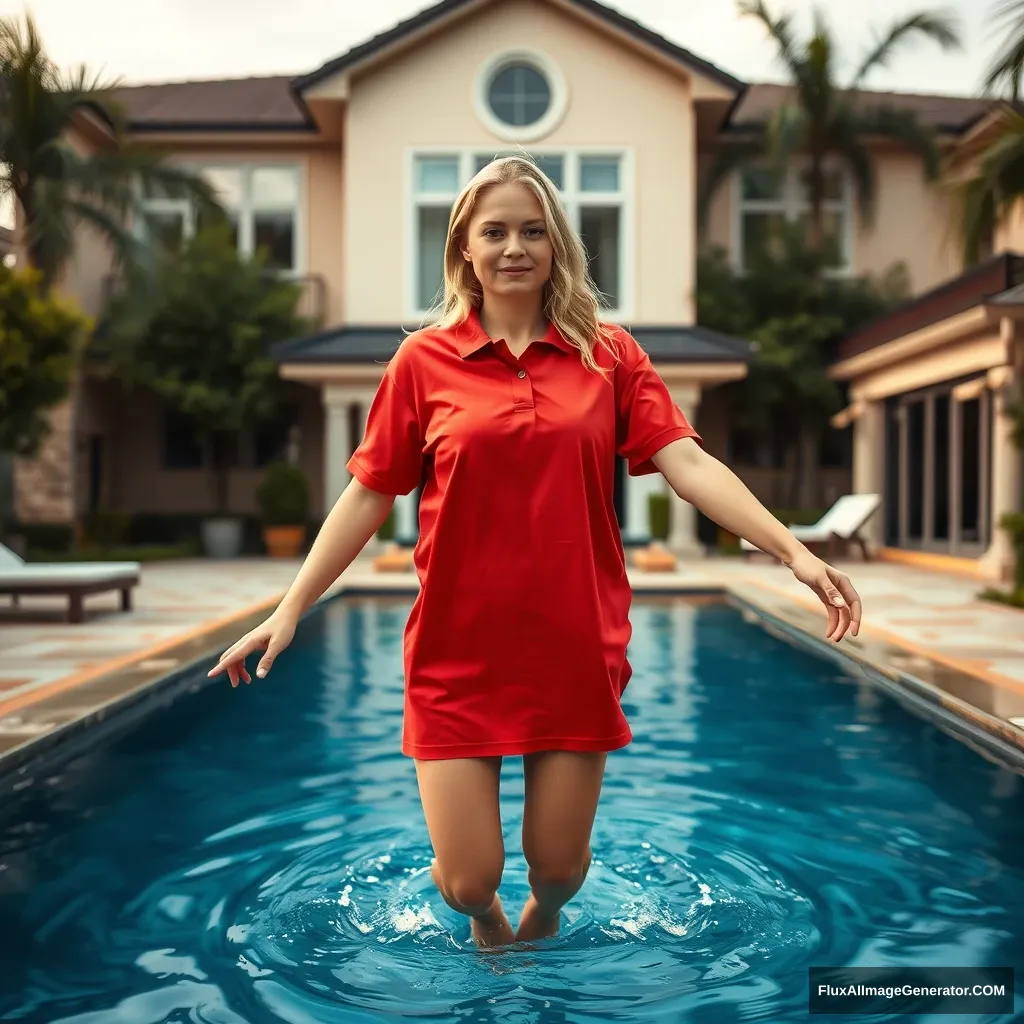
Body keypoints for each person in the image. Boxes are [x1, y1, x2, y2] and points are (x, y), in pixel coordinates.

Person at [207, 156, 863, 952]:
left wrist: (793, 551)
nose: (514, 247)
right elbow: (370, 492)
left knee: (556, 871)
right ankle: (488, 919)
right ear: (464, 249)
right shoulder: (422, 363)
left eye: (532, 230)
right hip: (457, 648)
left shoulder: (609, 356)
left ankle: (544, 915)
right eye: (495, 231)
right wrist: (289, 610)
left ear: (557, 246)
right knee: (466, 882)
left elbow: (689, 463)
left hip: (573, 644)